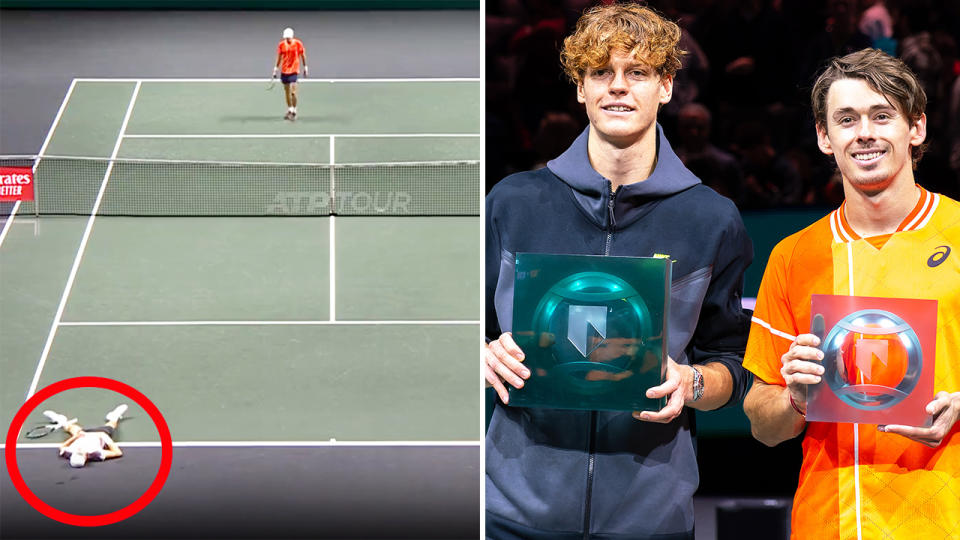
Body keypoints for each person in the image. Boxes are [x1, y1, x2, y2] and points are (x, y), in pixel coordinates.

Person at [484, 4, 754, 539]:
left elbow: (735, 366)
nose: (618, 87)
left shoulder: (711, 219)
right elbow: (454, 327)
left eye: (638, 72)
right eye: (600, 73)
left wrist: (693, 382)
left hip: (651, 518)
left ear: (667, 86)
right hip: (515, 513)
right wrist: (482, 350)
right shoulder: (514, 203)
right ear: (580, 88)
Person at [742, 48, 960, 539]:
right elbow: (762, 424)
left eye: (882, 115)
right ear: (825, 137)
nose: (864, 132)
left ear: (916, 129)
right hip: (831, 522)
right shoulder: (794, 255)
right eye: (846, 119)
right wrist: (796, 399)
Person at [43, 404, 128, 468]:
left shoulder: (68, 453)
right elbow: (117, 452)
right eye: (81, 454)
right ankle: (114, 416)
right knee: (111, 425)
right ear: (85, 458)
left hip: (81, 434)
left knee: (69, 427)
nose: (79, 451)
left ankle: (60, 419)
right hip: (99, 434)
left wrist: (75, 437)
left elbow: (62, 447)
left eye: (77, 453)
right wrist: (104, 436)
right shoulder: (97, 454)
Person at [273, 27, 307, 121]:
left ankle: (295, 111)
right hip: (284, 71)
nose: (287, 39)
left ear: (292, 37)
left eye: (288, 37)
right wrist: (275, 69)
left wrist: (305, 67)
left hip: (294, 71)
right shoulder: (281, 45)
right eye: (286, 38)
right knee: (287, 92)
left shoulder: (298, 43)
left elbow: (303, 55)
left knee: (293, 92)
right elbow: (279, 57)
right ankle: (290, 109)